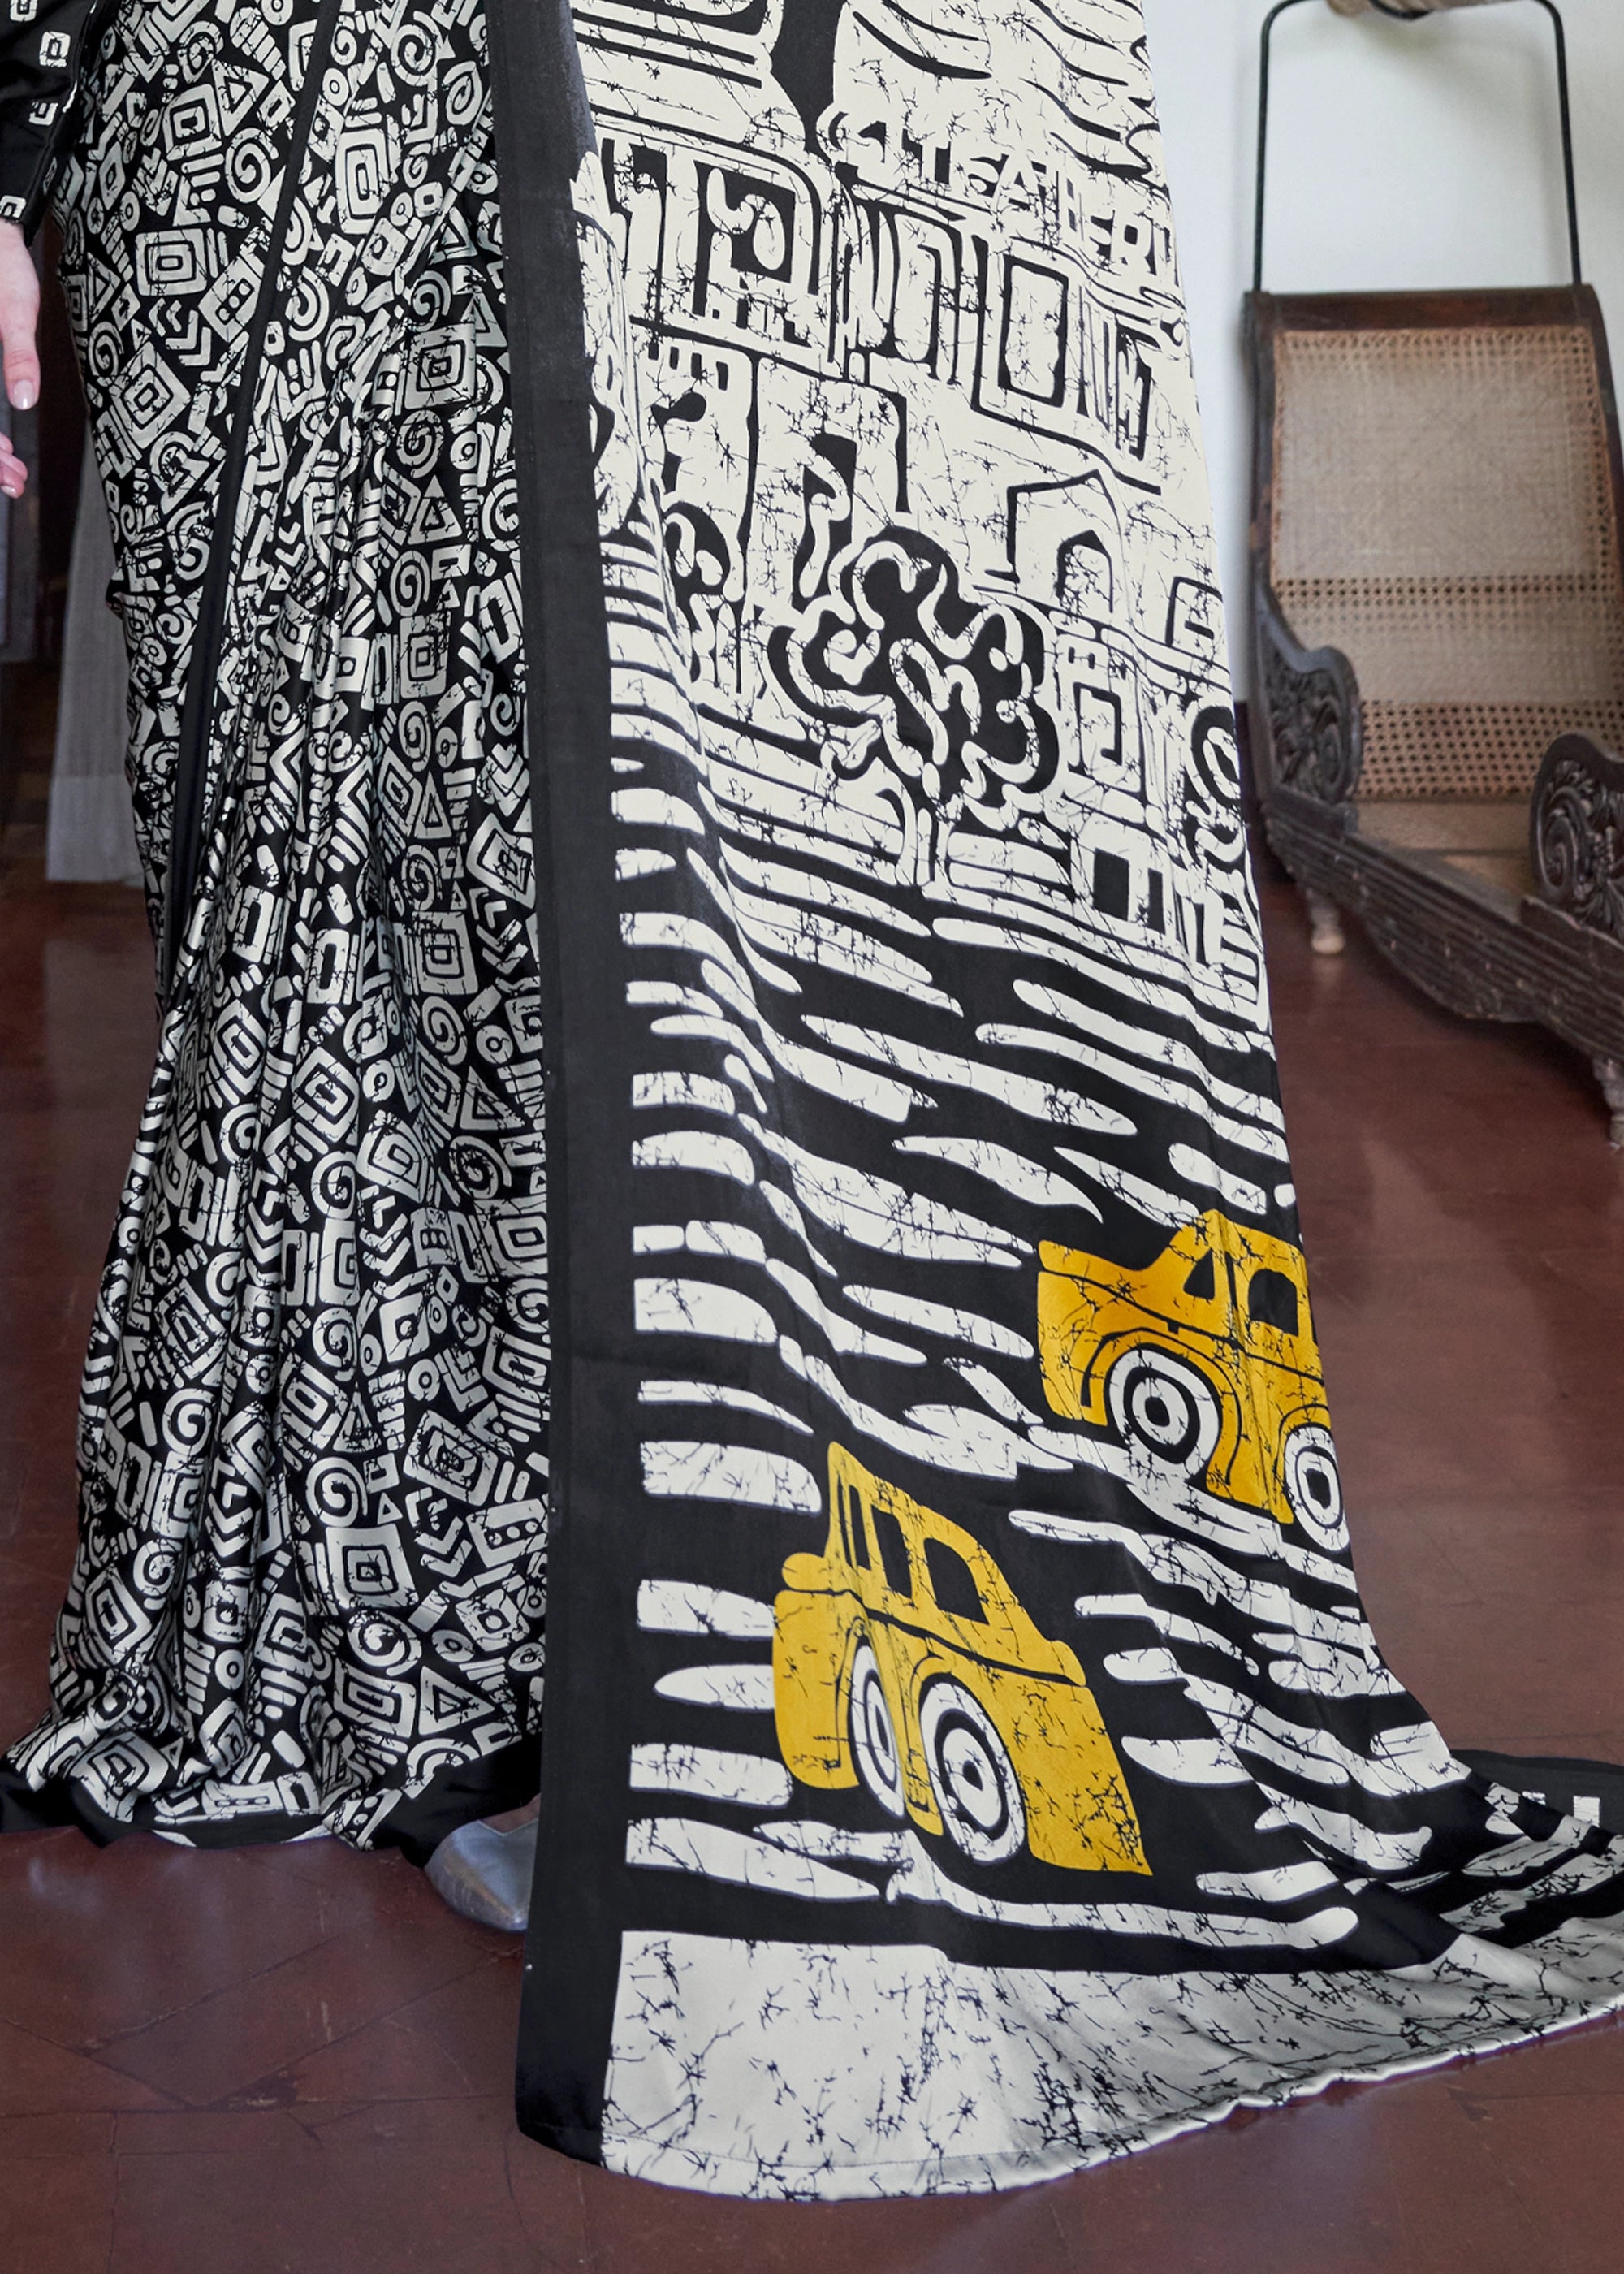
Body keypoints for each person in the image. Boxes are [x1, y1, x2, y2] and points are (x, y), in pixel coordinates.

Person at [9, 0, 1624, 2206]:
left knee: (736, 843)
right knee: (431, 846)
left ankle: (696, 1675)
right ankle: (500, 1637)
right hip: (299, 93)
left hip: (738, 98)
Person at [0, 0, 546, 1909]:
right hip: (216, 131)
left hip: (538, 123)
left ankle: (524, 1631)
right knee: (271, 859)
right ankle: (335, 1640)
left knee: (489, 880)